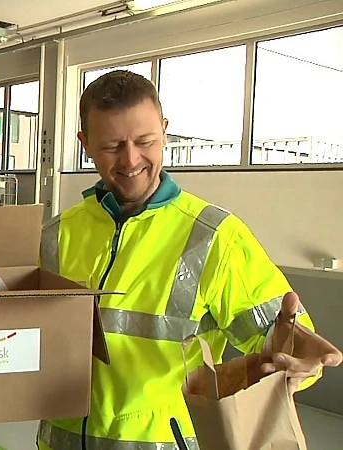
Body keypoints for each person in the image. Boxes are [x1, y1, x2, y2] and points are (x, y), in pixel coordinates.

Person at [36, 70, 342, 450]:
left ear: (165, 131)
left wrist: (291, 355)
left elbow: (286, 345)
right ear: (84, 143)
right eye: (112, 145)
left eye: (145, 141)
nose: (131, 160)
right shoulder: (55, 235)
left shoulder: (216, 237)